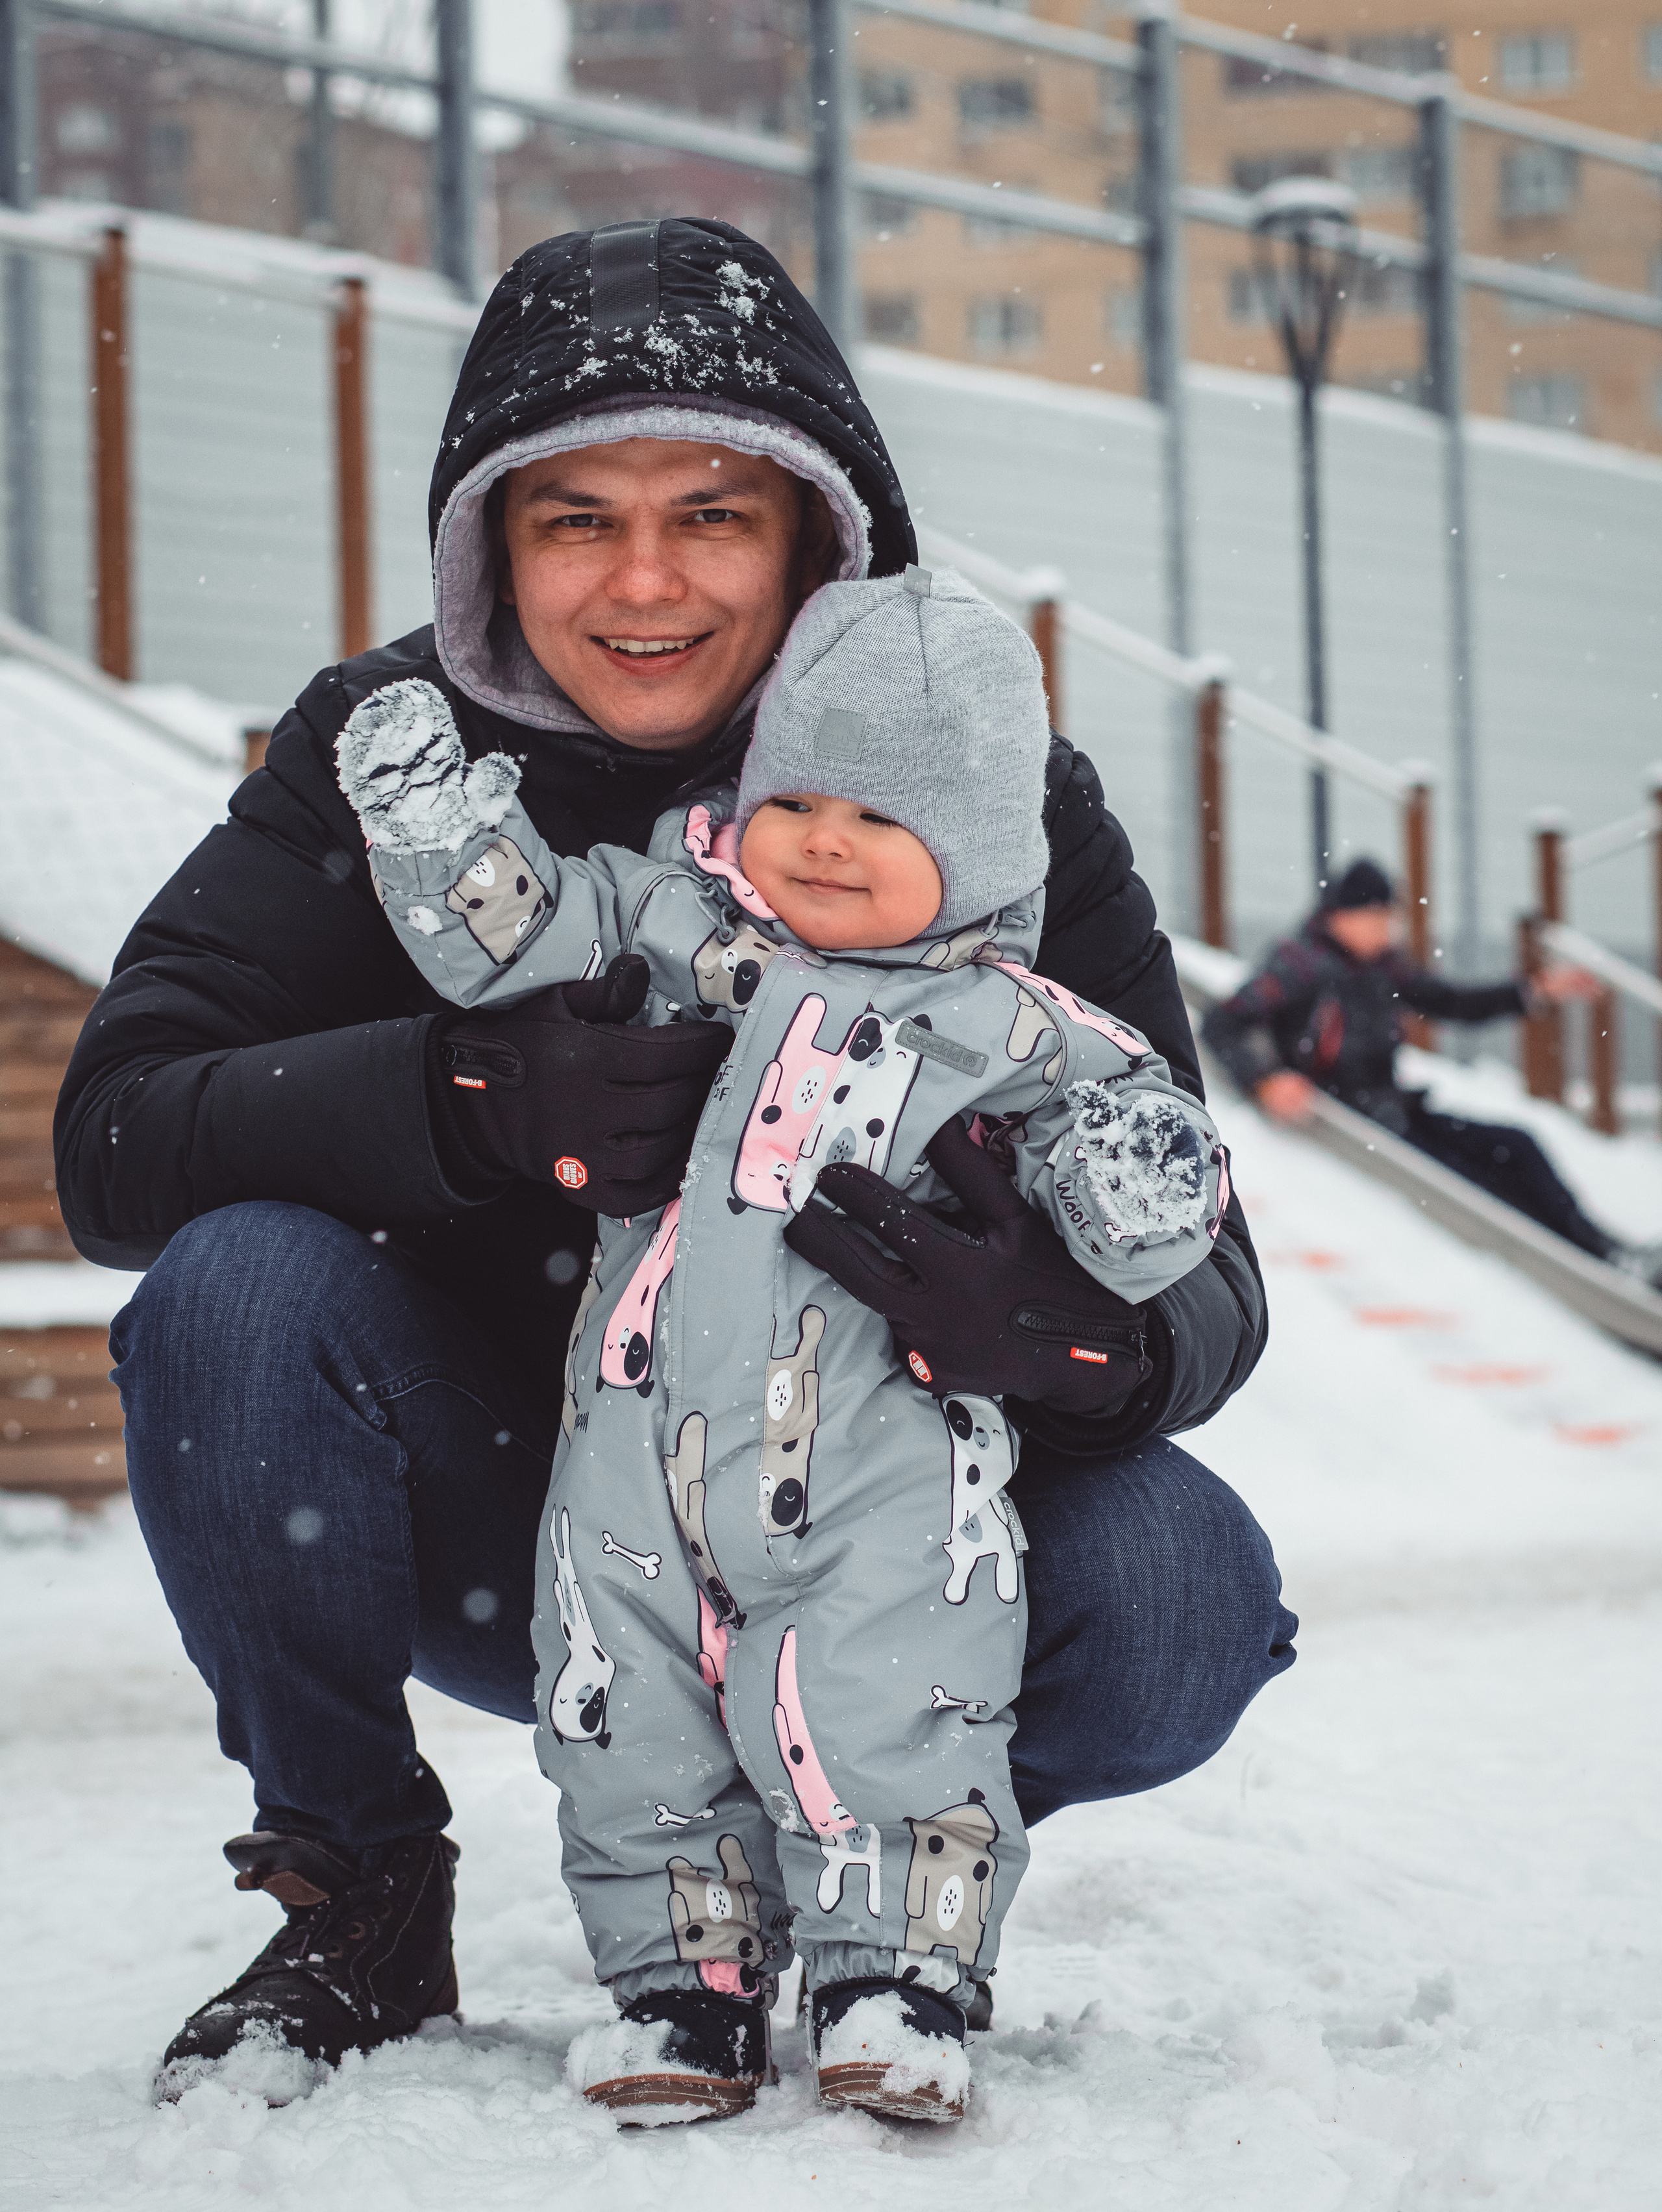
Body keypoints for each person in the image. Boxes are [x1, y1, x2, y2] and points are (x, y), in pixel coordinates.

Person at [54, 217, 1289, 2101]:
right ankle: (356, 1883)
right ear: (492, 544)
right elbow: (119, 1132)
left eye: (712, 513)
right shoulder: (394, 764)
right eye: (576, 519)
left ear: (815, 535)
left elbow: (1201, 1244)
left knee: (1182, 1584)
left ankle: (852, 1841)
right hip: (536, 1516)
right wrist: (462, 1098)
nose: (644, 580)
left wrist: (1074, 1334)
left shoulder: (979, 785)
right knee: (233, 1295)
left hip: (886, 1518)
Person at [327, 565, 1230, 2124]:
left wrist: (1128, 1196)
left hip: (880, 1464)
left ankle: (895, 1975)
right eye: (794, 797)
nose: (819, 837)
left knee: (891, 1699)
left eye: (878, 818)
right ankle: (683, 1983)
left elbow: (1136, 1158)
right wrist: (431, 826)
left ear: (975, 846)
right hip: (633, 1451)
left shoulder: (1010, 1023)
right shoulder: (668, 921)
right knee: (621, 1705)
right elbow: (514, 930)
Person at [1202, 856, 1640, 1270]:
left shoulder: (1384, 967)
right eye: (1378, 919)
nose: (1387, 931)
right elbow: (1223, 1023)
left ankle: (1602, 1249)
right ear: (1343, 916)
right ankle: (1575, 1262)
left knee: (1515, 1147)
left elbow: (1452, 1001)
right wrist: (1266, 1079)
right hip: (1351, 1115)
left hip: (1394, 1108)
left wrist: (1533, 992)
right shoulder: (1299, 964)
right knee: (1474, 1183)